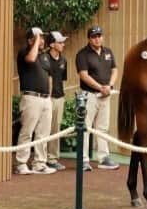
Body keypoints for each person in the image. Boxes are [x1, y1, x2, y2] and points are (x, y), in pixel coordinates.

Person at [75, 25, 120, 171]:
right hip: (89, 95)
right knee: (85, 128)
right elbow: (84, 75)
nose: (97, 39)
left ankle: (103, 158)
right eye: (94, 36)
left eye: (99, 35)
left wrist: (110, 86)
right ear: (89, 38)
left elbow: (114, 69)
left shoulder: (108, 52)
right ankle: (83, 160)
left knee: (103, 128)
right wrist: (100, 87)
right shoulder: (82, 54)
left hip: (105, 95)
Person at [15, 27, 57, 175]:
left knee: (43, 133)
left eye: (43, 38)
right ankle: (21, 163)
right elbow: (31, 59)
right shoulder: (25, 52)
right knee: (27, 131)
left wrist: (49, 97)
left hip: (45, 99)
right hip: (31, 97)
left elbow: (48, 77)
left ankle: (39, 163)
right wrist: (36, 42)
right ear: (30, 40)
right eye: (39, 37)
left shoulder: (44, 56)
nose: (42, 40)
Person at [44, 31, 68, 171]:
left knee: (55, 129)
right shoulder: (44, 59)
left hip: (59, 98)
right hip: (47, 98)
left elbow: (62, 80)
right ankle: (41, 159)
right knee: (44, 129)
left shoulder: (64, 60)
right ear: (52, 44)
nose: (63, 44)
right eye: (60, 42)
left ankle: (52, 158)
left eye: (63, 42)